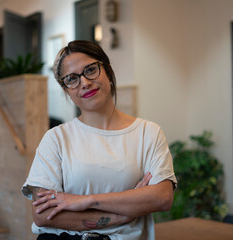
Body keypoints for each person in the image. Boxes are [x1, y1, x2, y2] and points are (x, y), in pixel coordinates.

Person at [21, 40, 177, 240]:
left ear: (108, 72)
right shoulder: (56, 139)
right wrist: (122, 214)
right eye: (72, 79)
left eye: (91, 69)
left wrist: (85, 201)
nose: (84, 82)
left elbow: (162, 198)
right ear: (67, 90)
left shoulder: (148, 132)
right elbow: (43, 214)